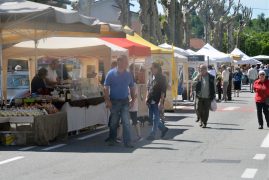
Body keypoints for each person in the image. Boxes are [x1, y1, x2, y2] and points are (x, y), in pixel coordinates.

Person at [104, 55, 136, 148]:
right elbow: (105, 87)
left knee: (126, 122)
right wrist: (107, 100)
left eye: (127, 62)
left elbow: (132, 87)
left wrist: (133, 99)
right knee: (114, 122)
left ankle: (128, 142)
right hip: (114, 101)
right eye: (125, 62)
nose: (126, 64)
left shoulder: (128, 74)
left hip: (125, 101)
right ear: (119, 61)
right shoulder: (111, 73)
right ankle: (112, 139)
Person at [146, 62, 169, 140]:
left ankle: (152, 134)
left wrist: (161, 102)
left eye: (152, 68)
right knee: (152, 118)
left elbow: (163, 91)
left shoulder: (162, 78)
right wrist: (147, 98)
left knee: (155, 118)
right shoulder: (153, 77)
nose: (151, 70)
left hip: (157, 100)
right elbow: (149, 88)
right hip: (151, 100)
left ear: (157, 69)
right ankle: (163, 128)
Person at [129, 64, 142, 141]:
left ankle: (139, 136)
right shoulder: (129, 82)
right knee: (123, 121)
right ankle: (119, 137)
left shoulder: (134, 84)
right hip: (127, 104)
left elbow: (136, 95)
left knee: (134, 121)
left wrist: (131, 102)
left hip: (132, 106)